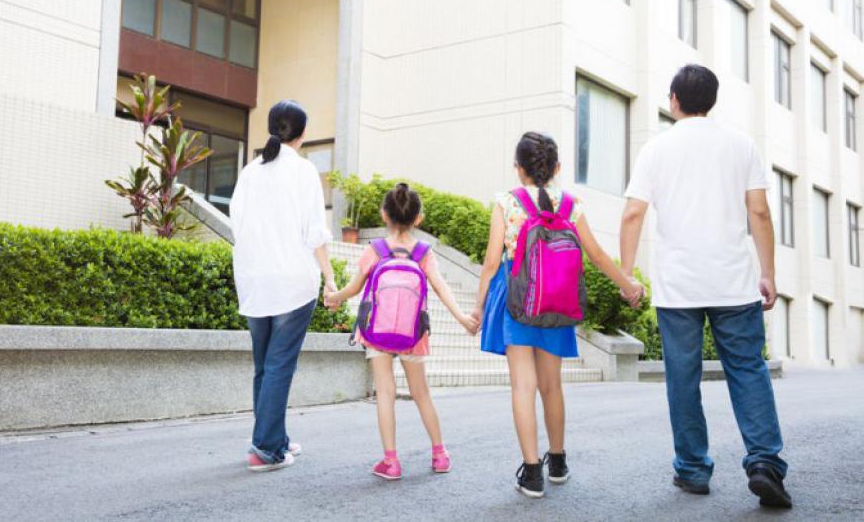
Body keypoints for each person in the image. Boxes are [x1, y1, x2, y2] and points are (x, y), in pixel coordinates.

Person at [619, 64, 792, 508]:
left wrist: (626, 274)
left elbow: (632, 214)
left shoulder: (656, 149)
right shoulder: (741, 145)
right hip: (733, 282)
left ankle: (693, 470)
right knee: (748, 369)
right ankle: (764, 462)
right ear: (711, 101)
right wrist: (768, 273)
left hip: (679, 287)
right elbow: (760, 214)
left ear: (674, 98)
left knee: (682, 376)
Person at [473, 132, 644, 498]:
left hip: (519, 302)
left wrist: (478, 305)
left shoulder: (507, 202)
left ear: (519, 168)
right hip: (557, 302)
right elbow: (596, 255)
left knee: (523, 385)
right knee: (552, 385)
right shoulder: (571, 204)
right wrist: (627, 284)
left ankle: (531, 472)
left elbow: (490, 263)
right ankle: (558, 460)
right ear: (557, 169)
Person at [325, 183, 478, 480]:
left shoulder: (375, 250)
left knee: (386, 392)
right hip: (413, 333)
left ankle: (391, 462)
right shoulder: (423, 252)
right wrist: (461, 317)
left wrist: (333, 298)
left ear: (384, 214)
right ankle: (440, 454)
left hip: (376, 333)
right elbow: (440, 287)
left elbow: (354, 288)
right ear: (418, 218)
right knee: (421, 393)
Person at [230, 100, 336, 472]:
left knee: (265, 365)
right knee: (279, 366)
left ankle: (272, 437)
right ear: (302, 133)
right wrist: (330, 277)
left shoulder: (249, 172)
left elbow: (236, 224)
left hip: (254, 281)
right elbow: (315, 234)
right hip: (292, 281)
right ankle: (265, 449)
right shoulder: (305, 172)